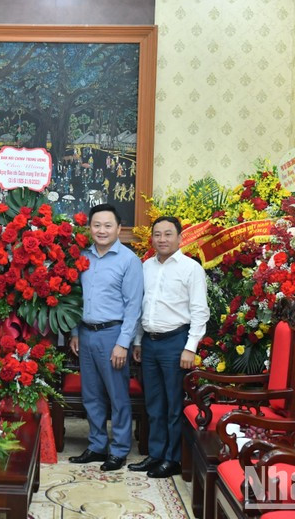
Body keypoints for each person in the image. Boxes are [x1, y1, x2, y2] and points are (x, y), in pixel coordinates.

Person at [129, 216, 209, 478]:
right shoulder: (145, 267)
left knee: (174, 404)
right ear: (151, 238)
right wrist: (139, 340)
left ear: (180, 237)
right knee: (153, 403)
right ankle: (156, 455)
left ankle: (172, 459)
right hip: (150, 343)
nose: (162, 239)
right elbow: (142, 306)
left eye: (168, 234)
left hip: (176, 342)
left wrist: (191, 347)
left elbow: (200, 311)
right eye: (157, 235)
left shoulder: (191, 268)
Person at [68, 203, 143, 471]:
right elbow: (75, 297)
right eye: (96, 225)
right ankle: (97, 445)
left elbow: (134, 306)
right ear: (89, 228)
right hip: (86, 335)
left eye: (107, 225)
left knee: (117, 396)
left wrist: (124, 343)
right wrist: (75, 332)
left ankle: (120, 449)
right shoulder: (81, 257)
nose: (102, 230)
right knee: (91, 395)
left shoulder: (129, 260)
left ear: (119, 229)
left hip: (113, 334)